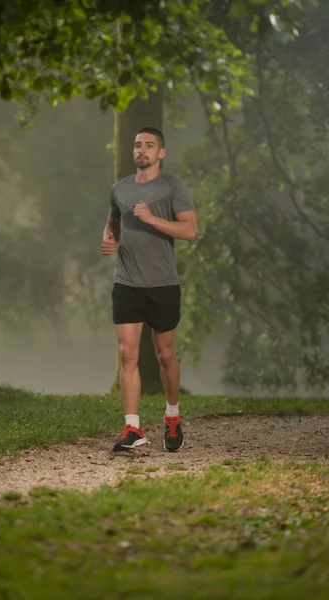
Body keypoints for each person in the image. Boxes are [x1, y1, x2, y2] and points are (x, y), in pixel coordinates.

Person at [101, 126, 197, 452]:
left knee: (165, 355)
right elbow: (114, 220)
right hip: (126, 282)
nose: (142, 150)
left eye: (149, 145)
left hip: (163, 285)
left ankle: (172, 417)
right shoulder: (120, 189)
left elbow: (190, 231)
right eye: (138, 145)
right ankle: (133, 428)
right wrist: (109, 237)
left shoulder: (173, 187)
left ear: (161, 153)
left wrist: (153, 219)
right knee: (127, 354)